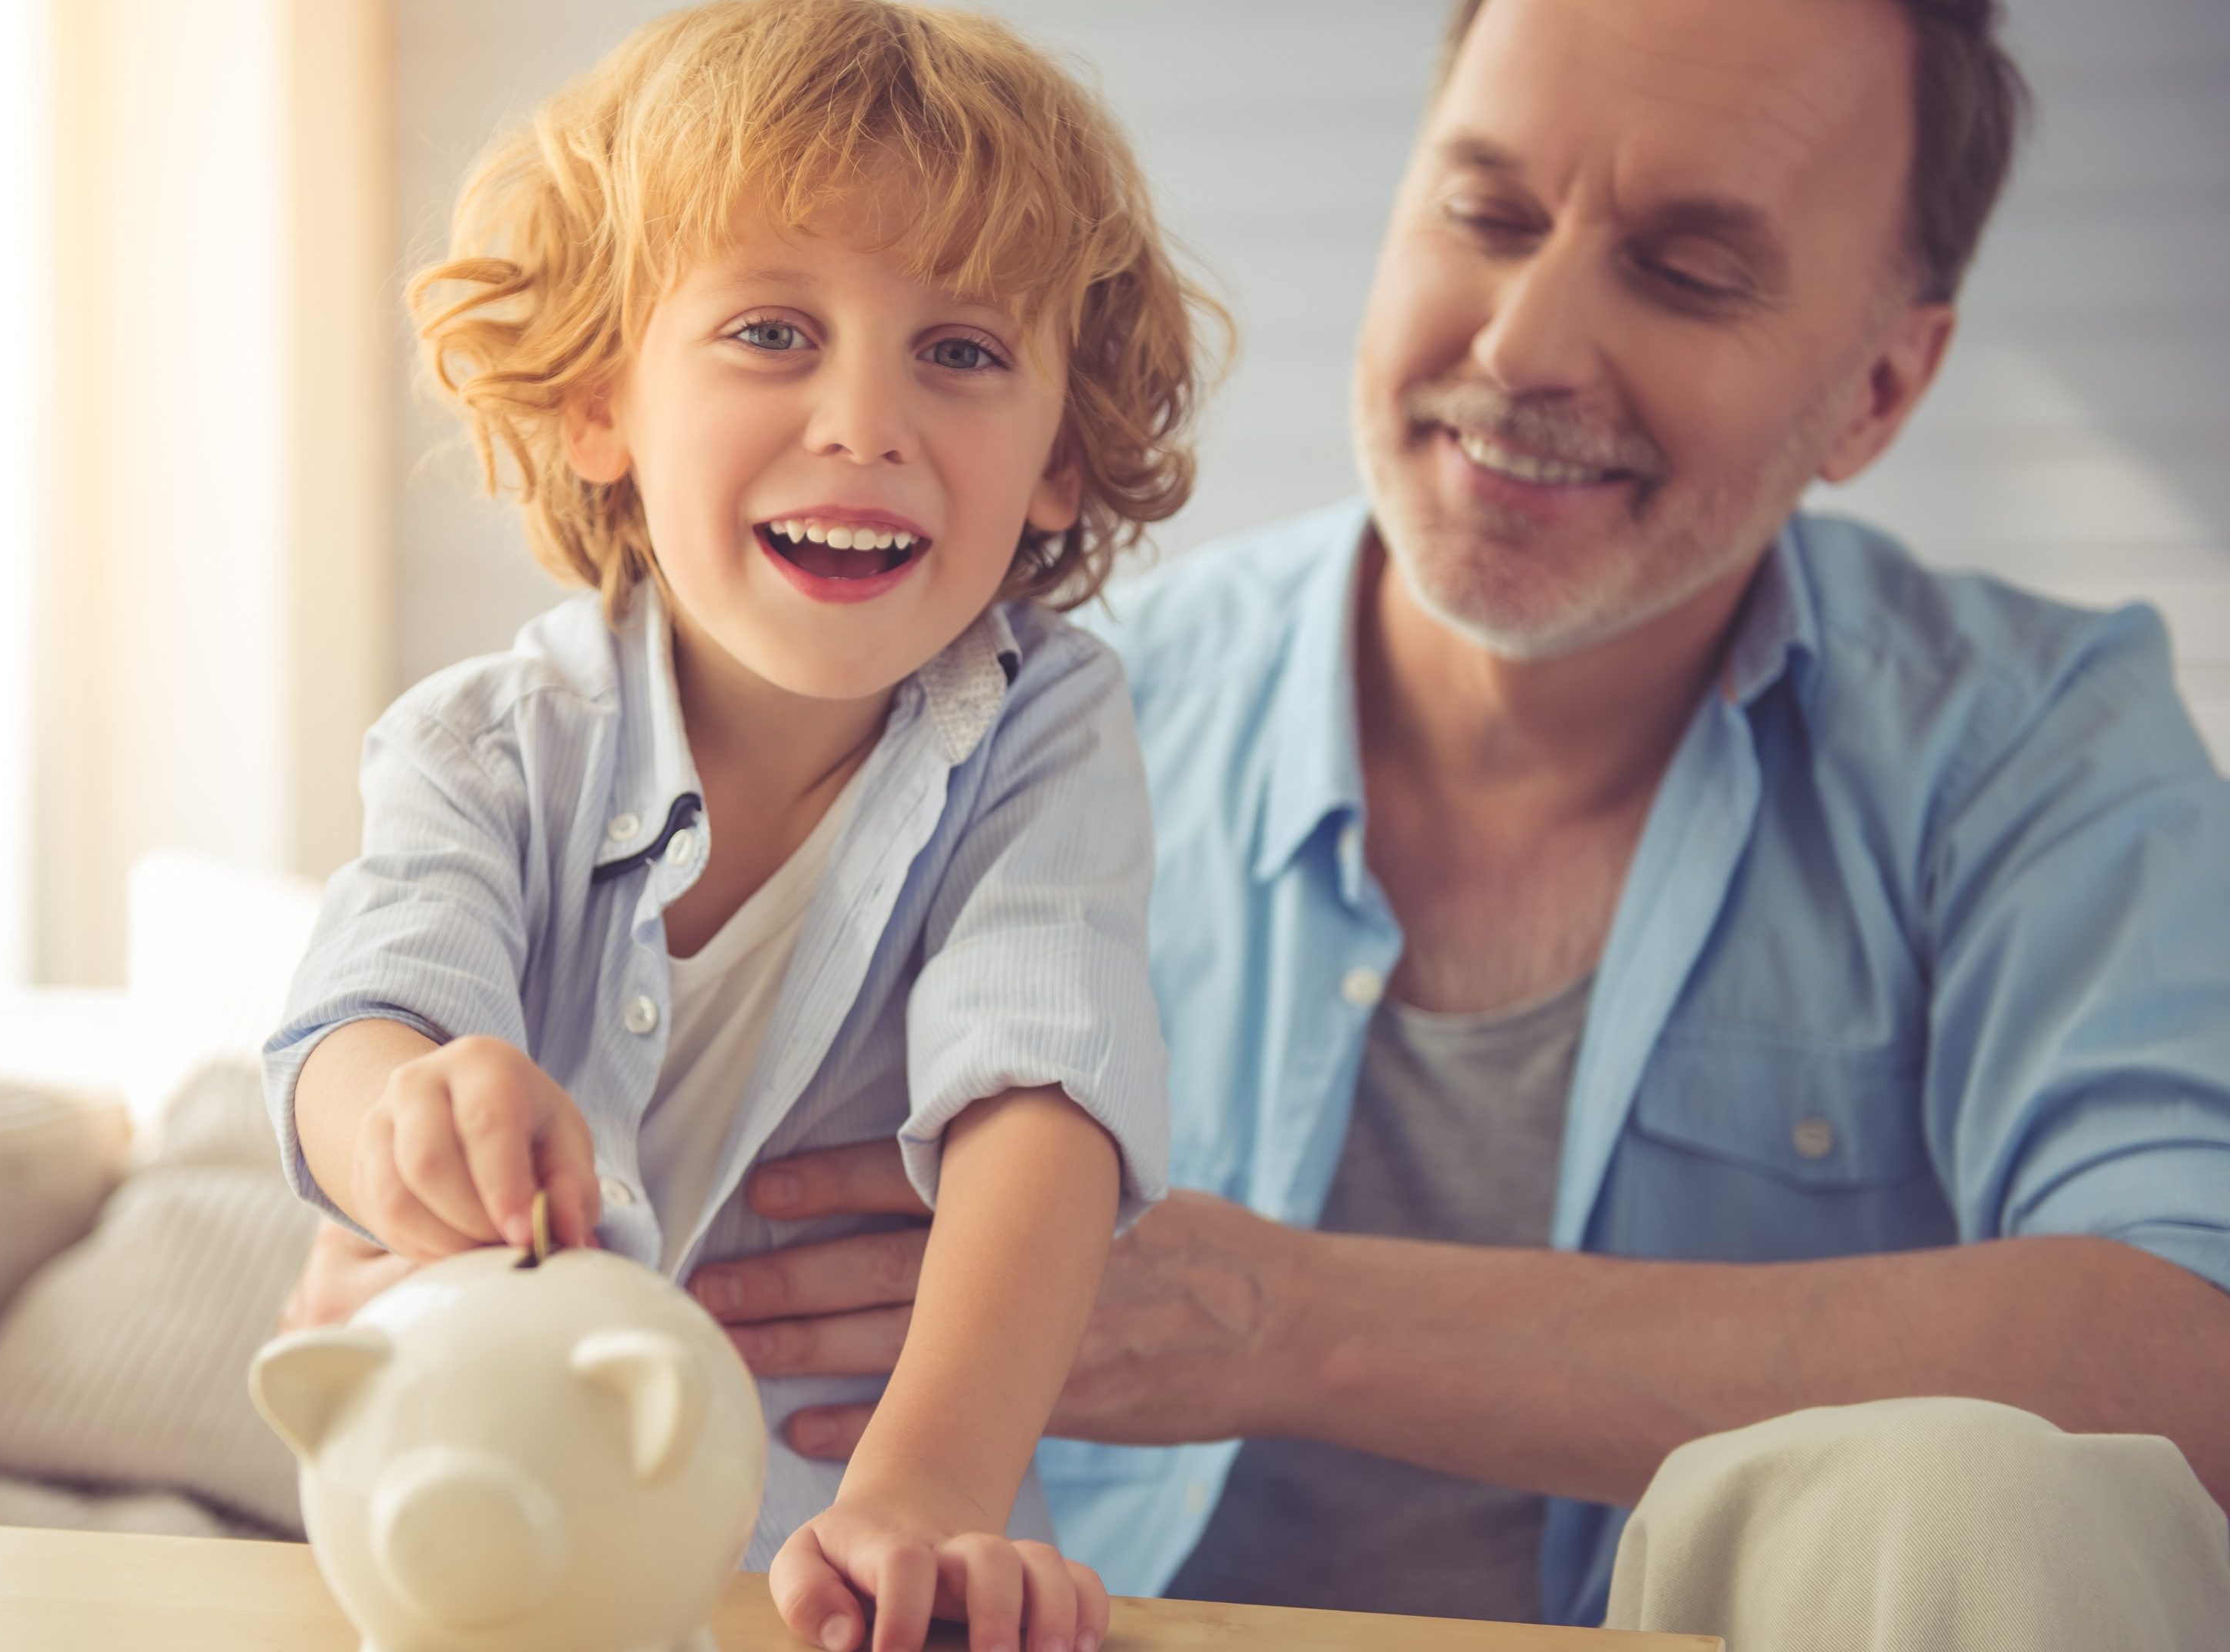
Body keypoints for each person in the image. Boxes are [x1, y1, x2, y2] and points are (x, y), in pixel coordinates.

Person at [294, 0, 2230, 1643]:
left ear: (1883, 383)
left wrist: (1294, 1320)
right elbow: (407, 1037)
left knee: (1986, 1487)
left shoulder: (2024, 747)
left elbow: (2191, 1361)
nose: (1529, 341)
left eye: (1687, 268)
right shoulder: (999, 684)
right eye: (1486, 211)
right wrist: (424, 1211)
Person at [263, 6, 1223, 1651]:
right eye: (774, 332)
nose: (864, 419)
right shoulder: (484, 746)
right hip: (501, 1546)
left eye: (964, 351)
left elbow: (1041, 1104)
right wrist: (410, 1120)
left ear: (1061, 458)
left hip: (858, 1579)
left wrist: (923, 1504)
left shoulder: (1046, 739)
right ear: (598, 401)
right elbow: (364, 1016)